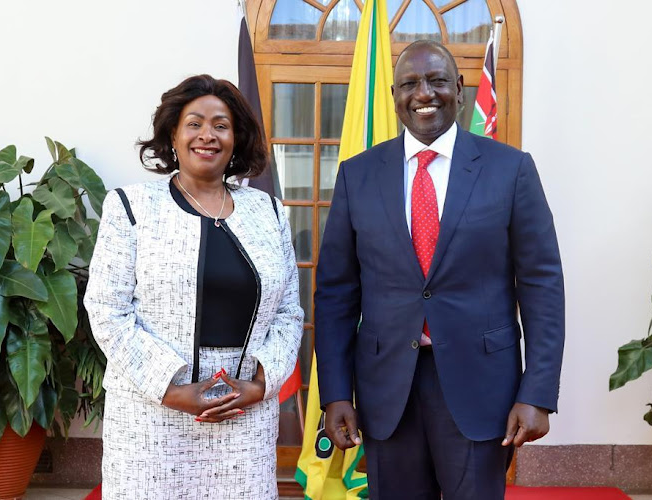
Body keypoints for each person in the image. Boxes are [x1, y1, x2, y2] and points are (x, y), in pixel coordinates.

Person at [314, 40, 565, 499]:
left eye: (436, 80)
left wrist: (537, 392)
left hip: (481, 387)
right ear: (394, 96)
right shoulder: (358, 175)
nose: (423, 93)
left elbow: (542, 286)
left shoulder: (511, 170)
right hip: (388, 387)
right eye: (409, 83)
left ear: (460, 89)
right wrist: (334, 394)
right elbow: (335, 293)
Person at [84, 74, 303, 499]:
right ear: (173, 134)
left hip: (244, 417)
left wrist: (258, 385)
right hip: (152, 418)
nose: (208, 135)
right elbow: (107, 309)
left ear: (236, 138)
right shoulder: (132, 207)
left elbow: (288, 312)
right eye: (195, 123)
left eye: (221, 125)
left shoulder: (270, 213)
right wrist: (174, 390)